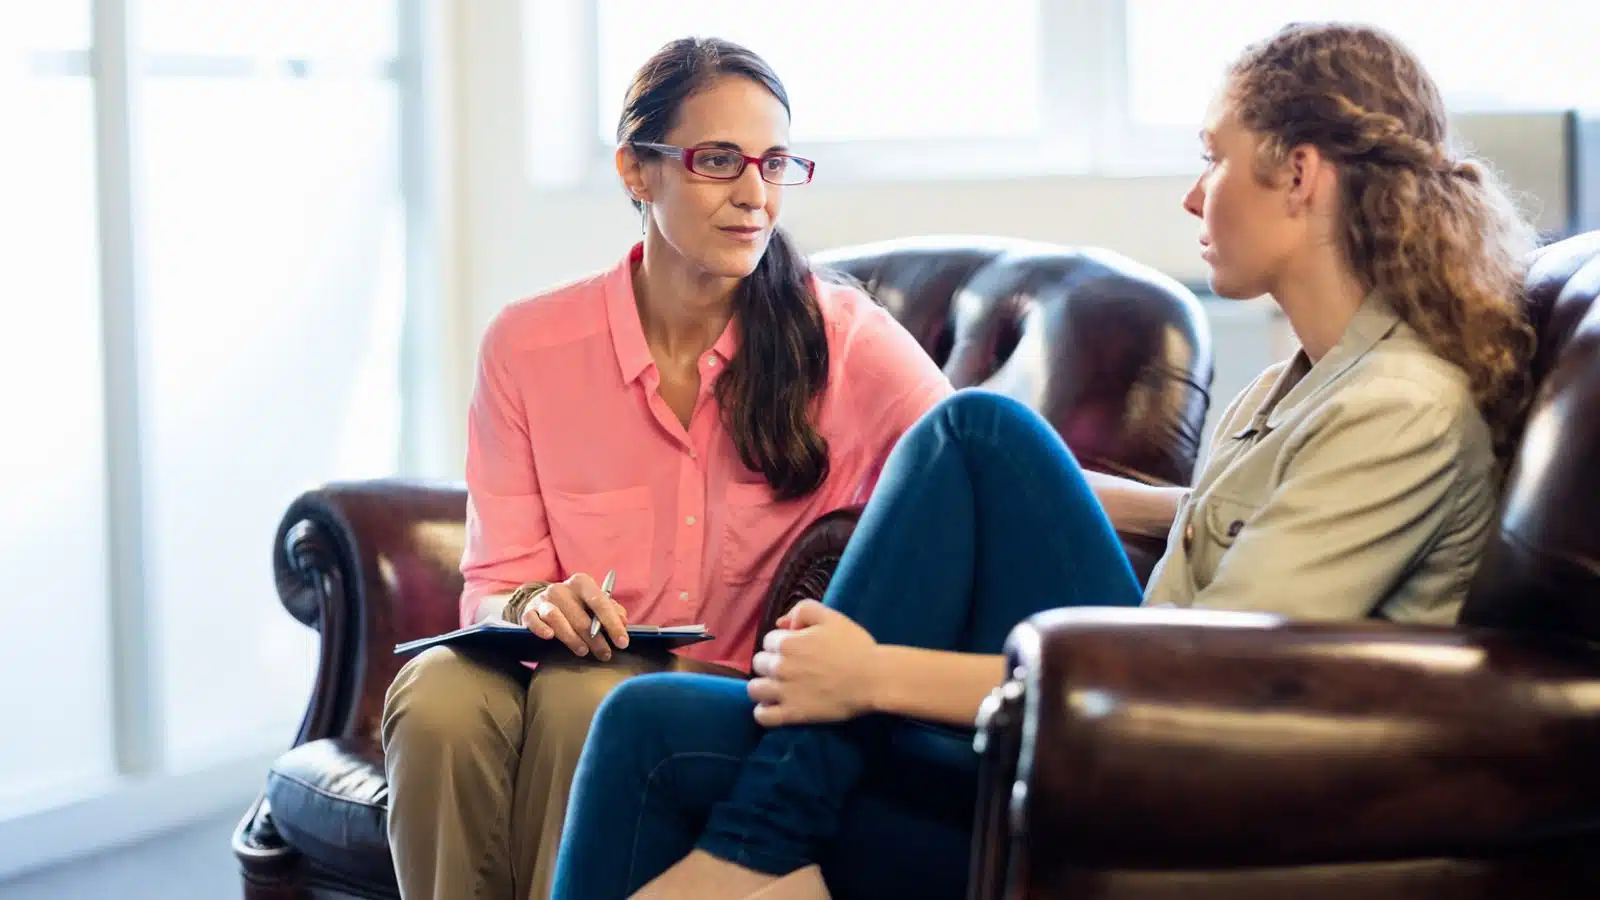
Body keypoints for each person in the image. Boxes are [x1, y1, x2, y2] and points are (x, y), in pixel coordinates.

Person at [549, 21, 1539, 900]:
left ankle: (761, 848)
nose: (1194, 194)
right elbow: (1241, 529)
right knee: (648, 718)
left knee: (979, 431)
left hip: (1176, 795)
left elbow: (1205, 686)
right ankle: (766, 848)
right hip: (1101, 735)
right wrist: (1114, 503)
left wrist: (876, 673)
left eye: (1214, 159)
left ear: (1300, 174)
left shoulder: (1399, 409)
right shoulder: (1298, 384)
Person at [380, 37, 952, 900]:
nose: (755, 195)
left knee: (590, 698)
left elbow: (975, 465)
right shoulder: (528, 347)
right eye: (718, 161)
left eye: (773, 163)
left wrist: (1178, 508)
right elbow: (493, 588)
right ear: (636, 172)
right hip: (553, 672)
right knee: (436, 698)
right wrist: (537, 603)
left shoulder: (844, 342)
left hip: (719, 706)